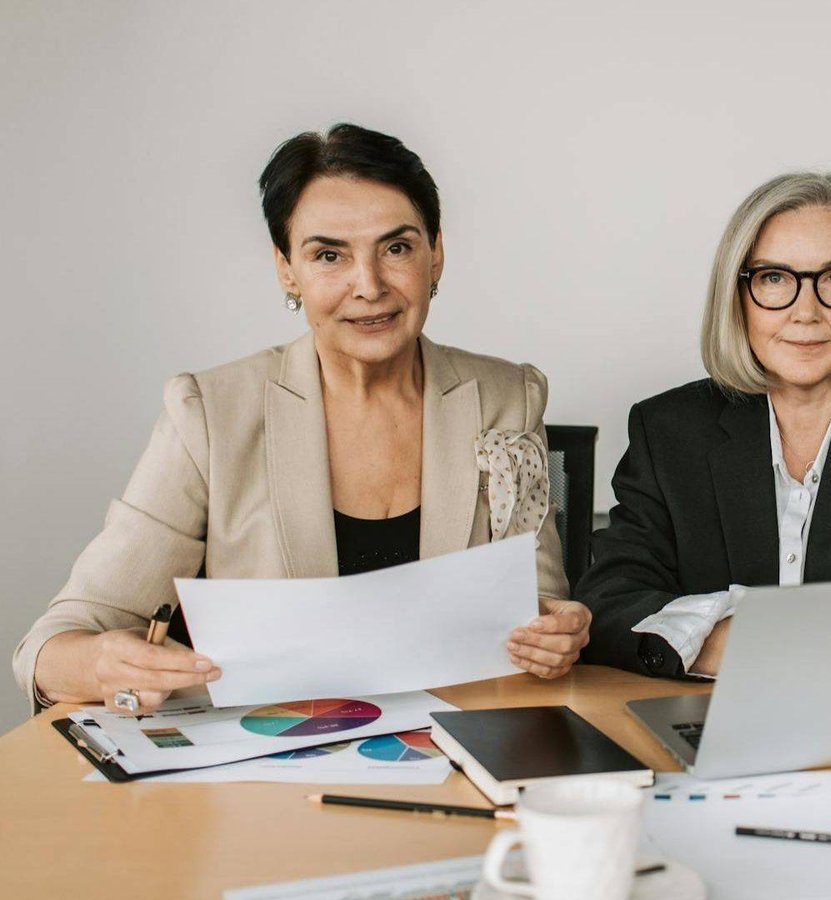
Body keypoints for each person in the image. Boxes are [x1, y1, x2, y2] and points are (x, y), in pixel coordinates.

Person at [13, 124, 590, 713]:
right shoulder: (209, 414)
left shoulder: (507, 395)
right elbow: (54, 644)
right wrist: (106, 664)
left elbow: (537, 599)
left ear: (435, 253)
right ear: (287, 269)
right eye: (328, 255)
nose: (368, 286)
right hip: (271, 760)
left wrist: (554, 631)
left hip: (456, 748)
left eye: (397, 248)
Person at [579, 171, 831, 679]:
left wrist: (703, 627)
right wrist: (773, 639)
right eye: (774, 278)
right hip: (700, 720)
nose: (806, 311)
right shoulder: (668, 430)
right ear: (739, 297)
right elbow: (608, 604)